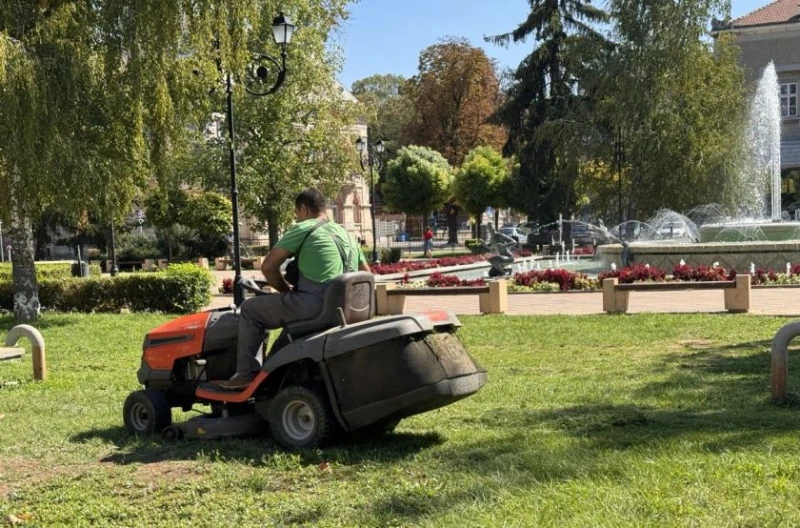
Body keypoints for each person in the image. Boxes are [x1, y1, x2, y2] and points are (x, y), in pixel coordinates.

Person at [221, 188, 371, 390]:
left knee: (250, 310)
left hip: (314, 305)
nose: (297, 218)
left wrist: (285, 291)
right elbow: (367, 273)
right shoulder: (346, 233)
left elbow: (268, 267)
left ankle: (246, 375)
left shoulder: (305, 228)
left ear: (303, 209)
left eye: (297, 213)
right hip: (347, 309)